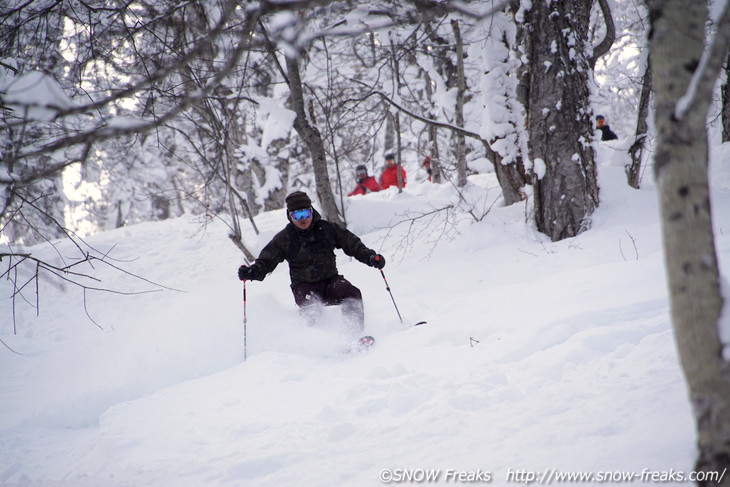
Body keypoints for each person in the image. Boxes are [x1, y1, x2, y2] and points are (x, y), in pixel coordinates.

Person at [237, 191, 385, 331]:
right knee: (312, 306)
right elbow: (266, 261)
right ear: (290, 216)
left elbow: (352, 244)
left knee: (351, 293)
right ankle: (317, 344)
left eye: (305, 213)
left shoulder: (327, 229)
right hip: (304, 286)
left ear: (311, 211)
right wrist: (252, 272)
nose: (303, 219)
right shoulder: (285, 238)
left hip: (331, 281)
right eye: (297, 215)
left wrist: (370, 258)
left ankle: (355, 334)